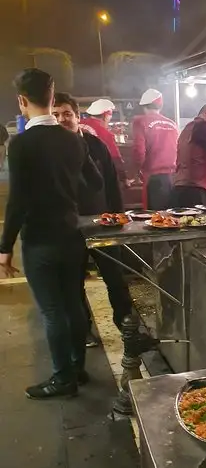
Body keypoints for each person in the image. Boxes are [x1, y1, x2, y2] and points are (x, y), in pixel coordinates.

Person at [0, 69, 102, 398]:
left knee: (52, 311)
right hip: (72, 236)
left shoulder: (21, 144)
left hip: (40, 240)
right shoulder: (73, 140)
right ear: (52, 94)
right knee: (72, 303)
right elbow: (94, 184)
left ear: (22, 101)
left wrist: (4, 247)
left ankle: (62, 379)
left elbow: (17, 202)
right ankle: (77, 368)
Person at [53, 92, 134, 344]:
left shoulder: (96, 145)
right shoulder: (49, 150)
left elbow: (110, 182)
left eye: (67, 113)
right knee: (73, 283)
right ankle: (83, 329)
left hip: (102, 223)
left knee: (115, 278)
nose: (62, 119)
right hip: (69, 227)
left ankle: (127, 325)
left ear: (78, 117)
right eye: (55, 115)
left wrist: (119, 215)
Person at [132, 88, 178, 210]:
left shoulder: (140, 121)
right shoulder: (172, 124)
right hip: (173, 178)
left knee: (154, 219)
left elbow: (139, 151)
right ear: (160, 106)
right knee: (169, 217)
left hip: (153, 178)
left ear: (144, 106)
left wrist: (137, 172)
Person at [80, 98, 127, 182]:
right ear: (105, 115)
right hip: (95, 175)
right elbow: (115, 158)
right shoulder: (105, 133)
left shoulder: (78, 123)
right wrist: (124, 178)